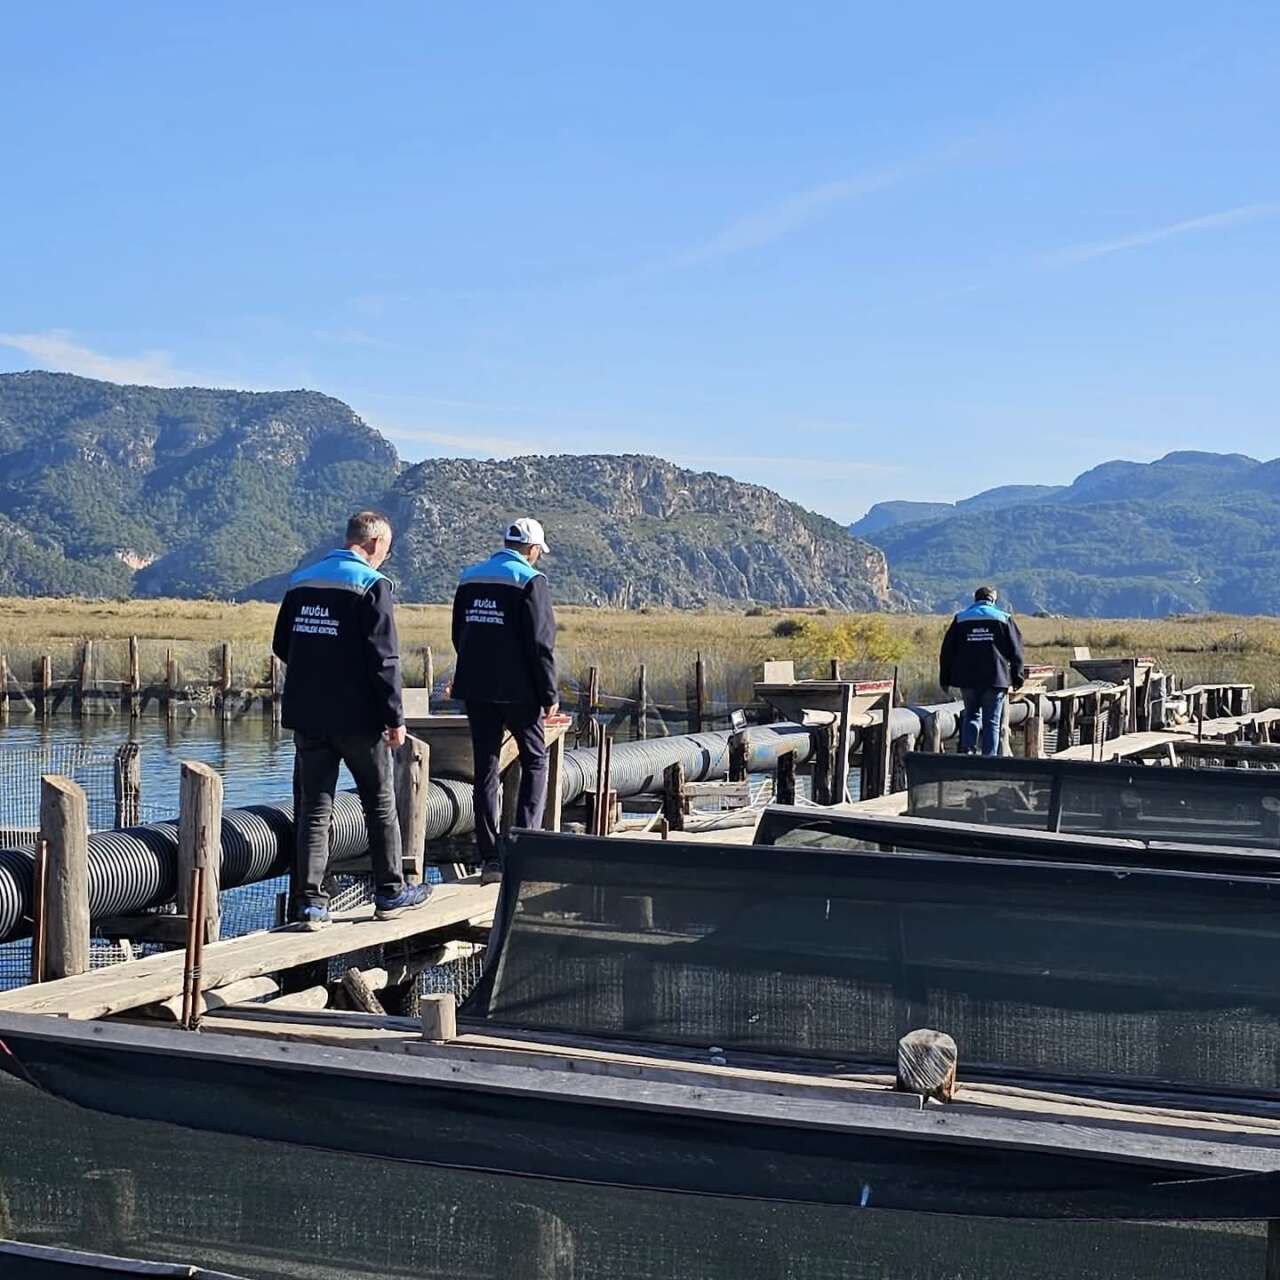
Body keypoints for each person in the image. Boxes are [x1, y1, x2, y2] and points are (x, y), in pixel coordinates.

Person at [272, 511, 431, 929]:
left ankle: (310, 904)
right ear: (376, 544)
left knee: (314, 808)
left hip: (308, 714)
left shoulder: (302, 581)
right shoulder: (372, 585)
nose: (385, 558)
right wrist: (394, 717)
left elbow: (282, 644)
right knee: (379, 804)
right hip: (358, 718)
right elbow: (385, 661)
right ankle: (390, 891)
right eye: (388, 550)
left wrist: (318, 669)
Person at [452, 518, 559, 884]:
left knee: (486, 767)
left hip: (475, 688)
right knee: (535, 760)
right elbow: (541, 645)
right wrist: (549, 695)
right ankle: (526, 844)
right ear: (532, 550)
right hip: (519, 692)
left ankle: (490, 859)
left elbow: (458, 634)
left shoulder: (470, 578)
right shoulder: (531, 581)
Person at [938, 585, 1026, 756]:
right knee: (992, 722)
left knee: (971, 716)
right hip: (996, 679)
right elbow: (1016, 651)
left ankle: (968, 753)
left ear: (975, 599)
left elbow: (947, 652)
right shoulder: (1004, 618)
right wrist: (1017, 677)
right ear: (993, 599)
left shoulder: (960, 619)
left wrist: (945, 679)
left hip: (968, 679)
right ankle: (989, 759)